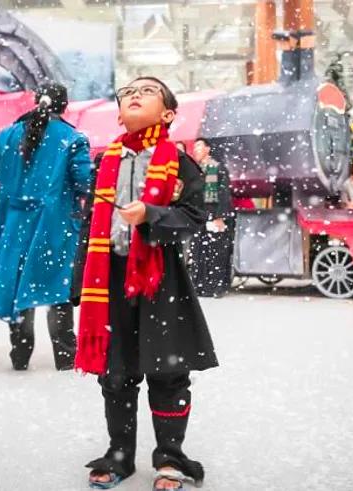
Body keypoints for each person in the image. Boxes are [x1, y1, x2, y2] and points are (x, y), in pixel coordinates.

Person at [77, 77, 217, 491]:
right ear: (120, 114)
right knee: (116, 372)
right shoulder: (105, 163)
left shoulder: (179, 160)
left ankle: (170, 459)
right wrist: (77, 279)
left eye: (148, 91)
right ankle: (120, 454)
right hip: (111, 280)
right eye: (128, 93)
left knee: (168, 370)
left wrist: (153, 216)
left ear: (169, 114)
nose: (135, 95)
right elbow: (91, 224)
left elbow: (194, 218)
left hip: (161, 276)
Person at [0, 83, 93, 371]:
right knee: (58, 288)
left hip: (14, 227)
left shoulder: (6, 135)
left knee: (19, 289)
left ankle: (20, 354)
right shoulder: (73, 138)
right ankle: (66, 357)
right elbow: (85, 182)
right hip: (55, 227)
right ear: (64, 106)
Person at [188, 137, 234, 297]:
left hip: (214, 216)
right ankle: (200, 286)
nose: (195, 150)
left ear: (207, 149)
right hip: (199, 216)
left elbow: (223, 194)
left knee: (216, 252)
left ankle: (216, 287)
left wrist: (219, 216)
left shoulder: (216, 168)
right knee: (199, 252)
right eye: (194, 147)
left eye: (199, 146)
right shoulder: (196, 169)